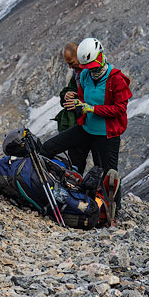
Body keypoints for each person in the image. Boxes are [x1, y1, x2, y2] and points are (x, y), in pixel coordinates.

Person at [40, 38, 132, 223]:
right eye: (87, 67)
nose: (91, 70)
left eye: (93, 66)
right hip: (86, 128)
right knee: (47, 148)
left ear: (100, 57)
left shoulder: (116, 79)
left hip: (107, 135)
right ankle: (47, 189)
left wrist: (92, 109)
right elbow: (81, 99)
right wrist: (75, 103)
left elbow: (120, 109)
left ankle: (113, 211)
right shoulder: (84, 76)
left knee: (109, 174)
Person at [52, 42, 82, 133]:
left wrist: (78, 102)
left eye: (72, 62)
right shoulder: (76, 73)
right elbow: (69, 89)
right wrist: (67, 94)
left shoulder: (92, 72)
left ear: (79, 56)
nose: (70, 67)